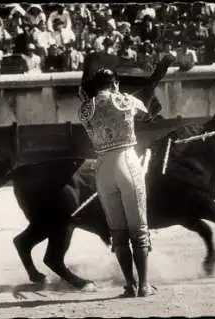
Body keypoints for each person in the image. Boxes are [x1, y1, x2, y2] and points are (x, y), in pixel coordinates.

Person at [78, 68, 155, 298]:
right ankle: (144, 285)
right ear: (115, 83)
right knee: (139, 230)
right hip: (128, 162)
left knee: (118, 232)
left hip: (103, 169)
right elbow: (146, 114)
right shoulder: (126, 99)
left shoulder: (85, 108)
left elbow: (89, 124)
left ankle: (129, 285)